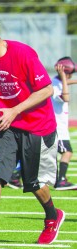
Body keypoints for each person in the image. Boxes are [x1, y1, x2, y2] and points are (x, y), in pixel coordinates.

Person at [0, 16, 64, 247]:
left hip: (37, 124)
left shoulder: (23, 53)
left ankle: (52, 216)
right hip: (7, 126)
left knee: (34, 182)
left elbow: (47, 89)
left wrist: (14, 110)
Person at [51, 57, 77, 190]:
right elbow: (66, 98)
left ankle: (60, 179)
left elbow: (65, 82)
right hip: (57, 128)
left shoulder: (59, 82)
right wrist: (63, 77)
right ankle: (60, 181)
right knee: (67, 152)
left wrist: (68, 79)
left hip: (61, 127)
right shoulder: (55, 85)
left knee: (48, 156)